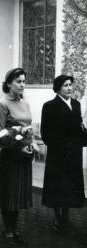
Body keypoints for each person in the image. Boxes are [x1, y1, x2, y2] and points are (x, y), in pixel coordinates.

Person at [0, 68, 39, 247]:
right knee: (9, 194)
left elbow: (28, 129)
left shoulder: (24, 103)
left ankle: (15, 228)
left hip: (24, 157)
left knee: (18, 195)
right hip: (10, 156)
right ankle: (7, 230)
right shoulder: (2, 104)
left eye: (23, 81)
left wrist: (33, 143)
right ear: (8, 84)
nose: (22, 84)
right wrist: (19, 148)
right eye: (18, 81)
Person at [41, 75, 85, 232]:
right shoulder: (49, 106)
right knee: (57, 186)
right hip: (58, 155)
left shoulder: (76, 104)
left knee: (70, 186)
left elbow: (79, 127)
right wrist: (60, 148)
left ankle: (65, 217)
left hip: (74, 154)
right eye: (66, 85)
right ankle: (57, 218)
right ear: (58, 88)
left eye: (71, 85)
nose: (69, 88)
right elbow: (45, 133)